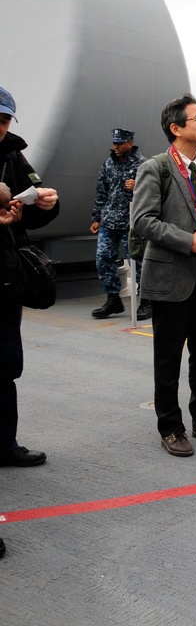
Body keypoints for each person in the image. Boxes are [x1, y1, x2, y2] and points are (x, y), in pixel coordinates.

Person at [131, 94, 196, 457]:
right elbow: (142, 221)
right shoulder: (155, 167)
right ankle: (170, 427)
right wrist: (187, 241)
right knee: (169, 357)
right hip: (172, 274)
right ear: (176, 128)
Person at [0, 85, 61, 468]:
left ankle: (5, 443)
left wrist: (46, 204)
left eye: (5, 120)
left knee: (5, 364)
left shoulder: (12, 154)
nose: (0, 128)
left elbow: (31, 210)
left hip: (6, 276)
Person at [90, 127, 150, 320]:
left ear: (130, 144)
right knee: (103, 258)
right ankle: (113, 298)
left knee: (139, 262)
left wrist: (138, 186)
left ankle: (147, 301)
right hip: (109, 220)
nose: (115, 147)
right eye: (114, 143)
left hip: (132, 222)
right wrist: (96, 218)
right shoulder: (108, 165)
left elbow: (154, 193)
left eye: (119, 143)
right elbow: (102, 191)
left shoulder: (144, 165)